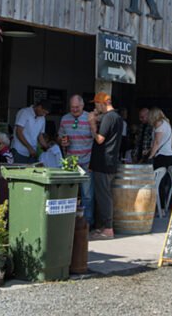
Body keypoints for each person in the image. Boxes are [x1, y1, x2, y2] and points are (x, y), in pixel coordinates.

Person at [88, 92, 123, 240]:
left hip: (104, 162)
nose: (96, 107)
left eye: (96, 104)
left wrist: (91, 124)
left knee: (104, 196)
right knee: (104, 194)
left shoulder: (109, 117)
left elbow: (100, 139)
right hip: (108, 162)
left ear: (102, 103)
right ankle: (103, 227)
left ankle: (108, 229)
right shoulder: (117, 117)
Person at [59, 94, 95, 226]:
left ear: (82, 105)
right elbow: (60, 136)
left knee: (87, 195)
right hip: (70, 161)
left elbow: (96, 140)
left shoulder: (90, 118)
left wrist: (93, 162)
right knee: (69, 194)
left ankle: (87, 223)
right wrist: (62, 141)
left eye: (77, 107)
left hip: (87, 160)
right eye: (72, 107)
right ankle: (69, 223)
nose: (74, 110)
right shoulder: (64, 119)